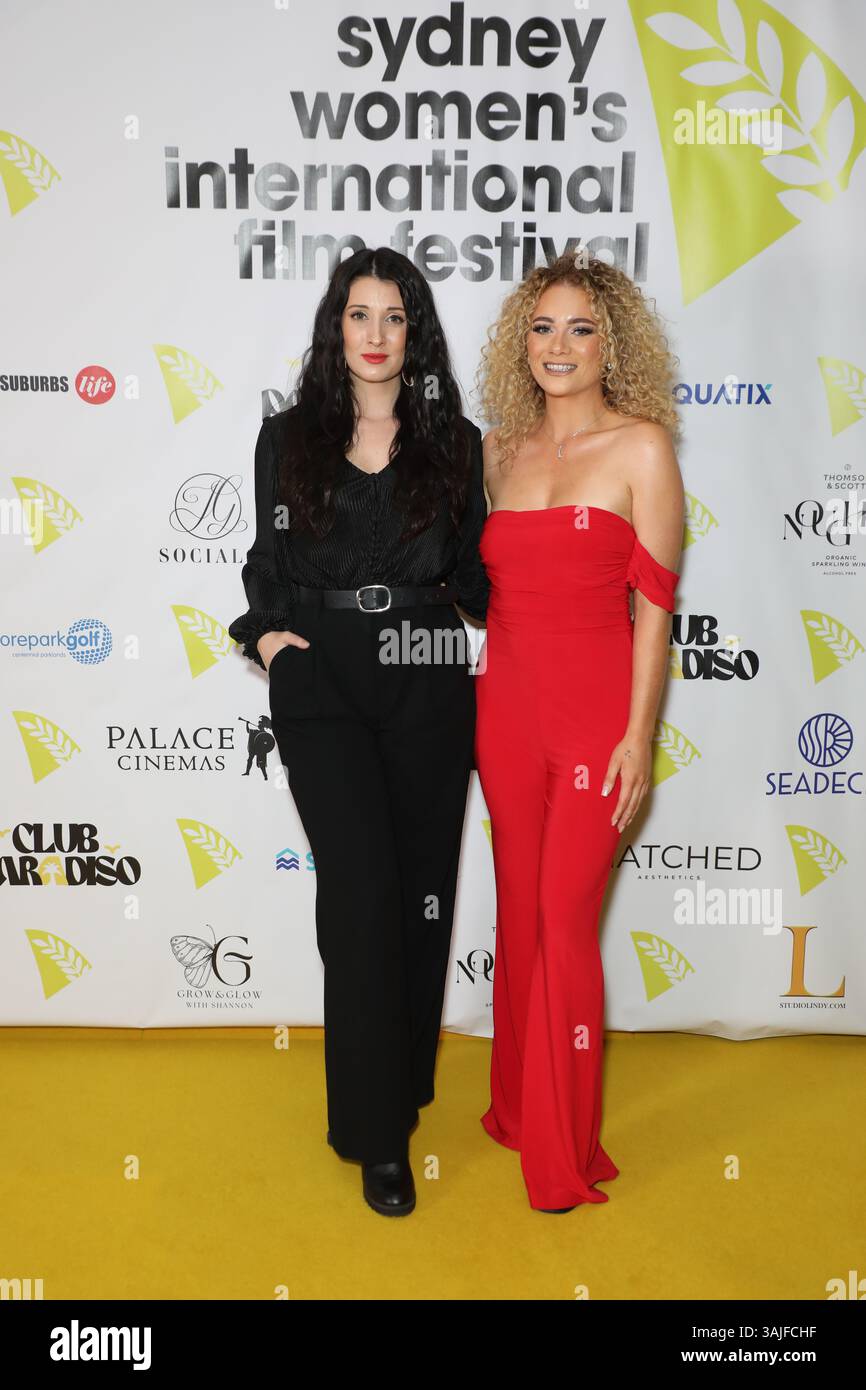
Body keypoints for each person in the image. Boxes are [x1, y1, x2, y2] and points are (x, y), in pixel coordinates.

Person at [228, 246, 489, 1217]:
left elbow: (471, 581)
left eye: (393, 317)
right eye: (358, 314)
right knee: (363, 898)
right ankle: (376, 1136)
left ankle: (403, 1089)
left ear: (412, 334)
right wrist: (272, 642)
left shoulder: (457, 444)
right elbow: (265, 560)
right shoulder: (286, 438)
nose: (375, 335)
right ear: (333, 328)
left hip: (426, 666)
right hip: (323, 673)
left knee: (421, 897)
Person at [473, 251, 684, 1213]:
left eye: (582, 328)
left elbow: (656, 608)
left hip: (598, 722)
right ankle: (517, 1108)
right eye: (544, 327)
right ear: (525, 341)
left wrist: (639, 735)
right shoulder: (501, 452)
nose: (559, 345)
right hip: (504, 716)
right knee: (521, 914)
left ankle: (559, 1156)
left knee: (563, 923)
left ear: (613, 346)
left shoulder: (642, 449)